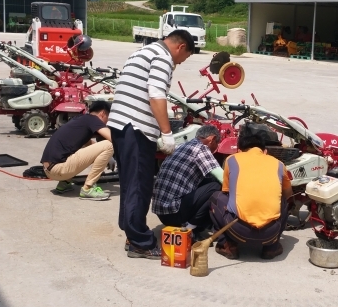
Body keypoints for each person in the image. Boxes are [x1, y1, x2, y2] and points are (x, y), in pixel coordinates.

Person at [108, 30, 196, 259]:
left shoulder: (141, 52)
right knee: (139, 186)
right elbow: (156, 94)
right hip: (136, 127)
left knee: (129, 184)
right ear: (181, 47)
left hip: (120, 125)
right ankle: (141, 243)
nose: (180, 62)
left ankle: (131, 233)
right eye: (184, 57)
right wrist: (167, 133)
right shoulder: (162, 57)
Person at [210, 123, 292, 260]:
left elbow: (226, 191)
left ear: (240, 149)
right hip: (270, 233)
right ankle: (271, 248)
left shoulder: (232, 160)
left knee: (216, 197)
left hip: (238, 231)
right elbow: (288, 195)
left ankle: (228, 245)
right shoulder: (278, 164)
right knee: (284, 201)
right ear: (264, 150)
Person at [152, 125, 223, 237]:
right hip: (174, 213)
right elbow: (222, 178)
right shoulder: (201, 148)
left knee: (208, 181)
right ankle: (189, 230)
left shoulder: (181, 146)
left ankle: (190, 225)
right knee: (215, 186)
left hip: (162, 212)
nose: (216, 148)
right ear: (212, 139)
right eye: (217, 143)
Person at [40, 101, 115, 201]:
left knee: (79, 149)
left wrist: (106, 157)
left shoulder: (81, 119)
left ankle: (64, 184)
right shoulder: (93, 119)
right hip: (59, 169)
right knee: (109, 145)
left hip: (49, 169)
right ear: (103, 113)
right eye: (108, 118)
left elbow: (88, 144)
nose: (107, 122)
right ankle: (88, 188)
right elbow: (112, 139)